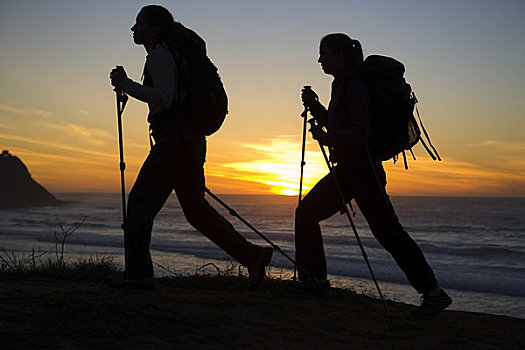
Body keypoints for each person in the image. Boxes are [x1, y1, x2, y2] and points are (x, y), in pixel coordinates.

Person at [108, 5, 272, 290]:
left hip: (174, 141)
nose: (134, 29)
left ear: (155, 29)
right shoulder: (172, 55)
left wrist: (126, 84)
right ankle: (253, 256)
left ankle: (138, 274)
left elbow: (165, 97)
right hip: (191, 140)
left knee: (140, 204)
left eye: (139, 23)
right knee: (195, 210)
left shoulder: (159, 55)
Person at [295, 33, 452, 320]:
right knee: (315, 215)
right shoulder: (340, 85)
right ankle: (313, 281)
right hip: (353, 170)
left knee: (388, 233)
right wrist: (316, 107)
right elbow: (339, 122)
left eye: (325, 53)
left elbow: (359, 133)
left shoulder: (355, 86)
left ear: (340, 54)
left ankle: (433, 293)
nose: (320, 59)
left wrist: (328, 139)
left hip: (362, 170)